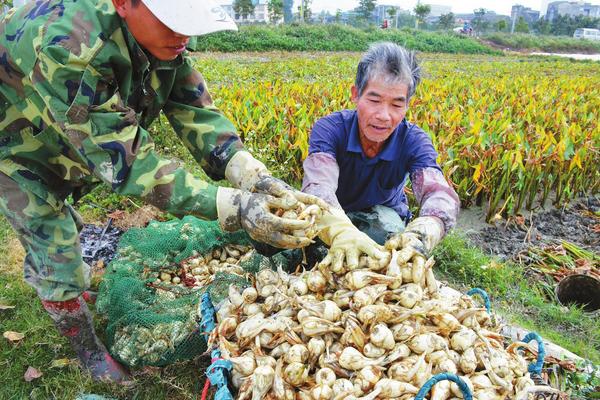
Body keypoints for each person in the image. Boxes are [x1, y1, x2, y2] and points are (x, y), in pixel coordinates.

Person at [0, 0, 325, 382]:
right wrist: (233, 205)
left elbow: (194, 108)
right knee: (51, 237)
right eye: (173, 22)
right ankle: (85, 347)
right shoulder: (67, 48)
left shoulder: (165, 40)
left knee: (64, 225)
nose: (183, 35)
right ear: (123, 4)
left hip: (65, 131)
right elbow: (130, 162)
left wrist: (249, 172)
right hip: (18, 148)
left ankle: (71, 289)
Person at [302, 42, 460, 271]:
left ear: (407, 105)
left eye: (397, 104)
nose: (384, 116)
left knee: (386, 239)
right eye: (374, 101)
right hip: (335, 214)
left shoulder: (414, 140)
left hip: (382, 215)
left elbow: (437, 192)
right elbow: (319, 187)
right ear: (356, 94)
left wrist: (428, 228)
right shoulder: (330, 129)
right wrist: (340, 230)